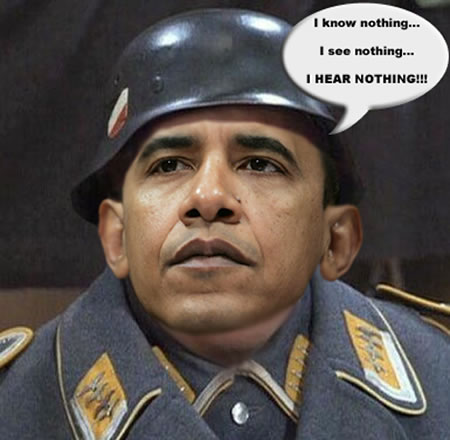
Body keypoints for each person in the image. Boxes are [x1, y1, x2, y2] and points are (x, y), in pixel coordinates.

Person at [0, 9, 448, 440]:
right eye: (169, 164)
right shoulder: (15, 404)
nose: (209, 198)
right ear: (115, 236)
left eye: (260, 164)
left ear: (335, 240)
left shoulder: (440, 376)